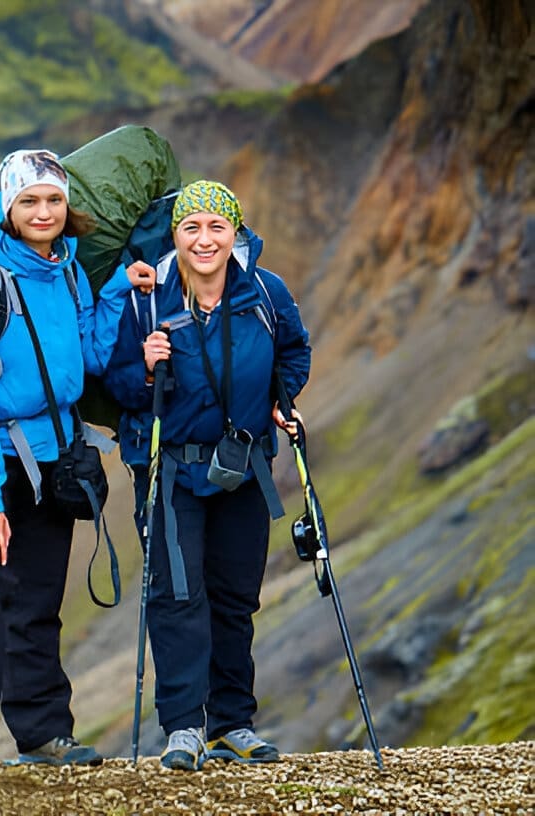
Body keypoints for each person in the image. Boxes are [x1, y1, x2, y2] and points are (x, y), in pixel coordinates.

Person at [0, 149, 132, 766]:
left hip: (52, 458)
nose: (43, 211)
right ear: (8, 207)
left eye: (53, 200)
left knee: (39, 596)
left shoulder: (68, 271)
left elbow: (88, 358)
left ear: (67, 206)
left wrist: (121, 287)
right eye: (29, 201)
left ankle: (43, 733)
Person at [101, 180, 312, 771]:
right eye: (192, 227)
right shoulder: (147, 302)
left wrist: (281, 397)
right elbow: (116, 387)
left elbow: (295, 352)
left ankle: (232, 724)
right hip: (170, 473)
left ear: (236, 234)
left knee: (235, 598)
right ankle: (183, 728)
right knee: (176, 596)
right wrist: (143, 369)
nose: (204, 239)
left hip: (245, 469)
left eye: (217, 227)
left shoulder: (266, 295)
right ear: (176, 236)